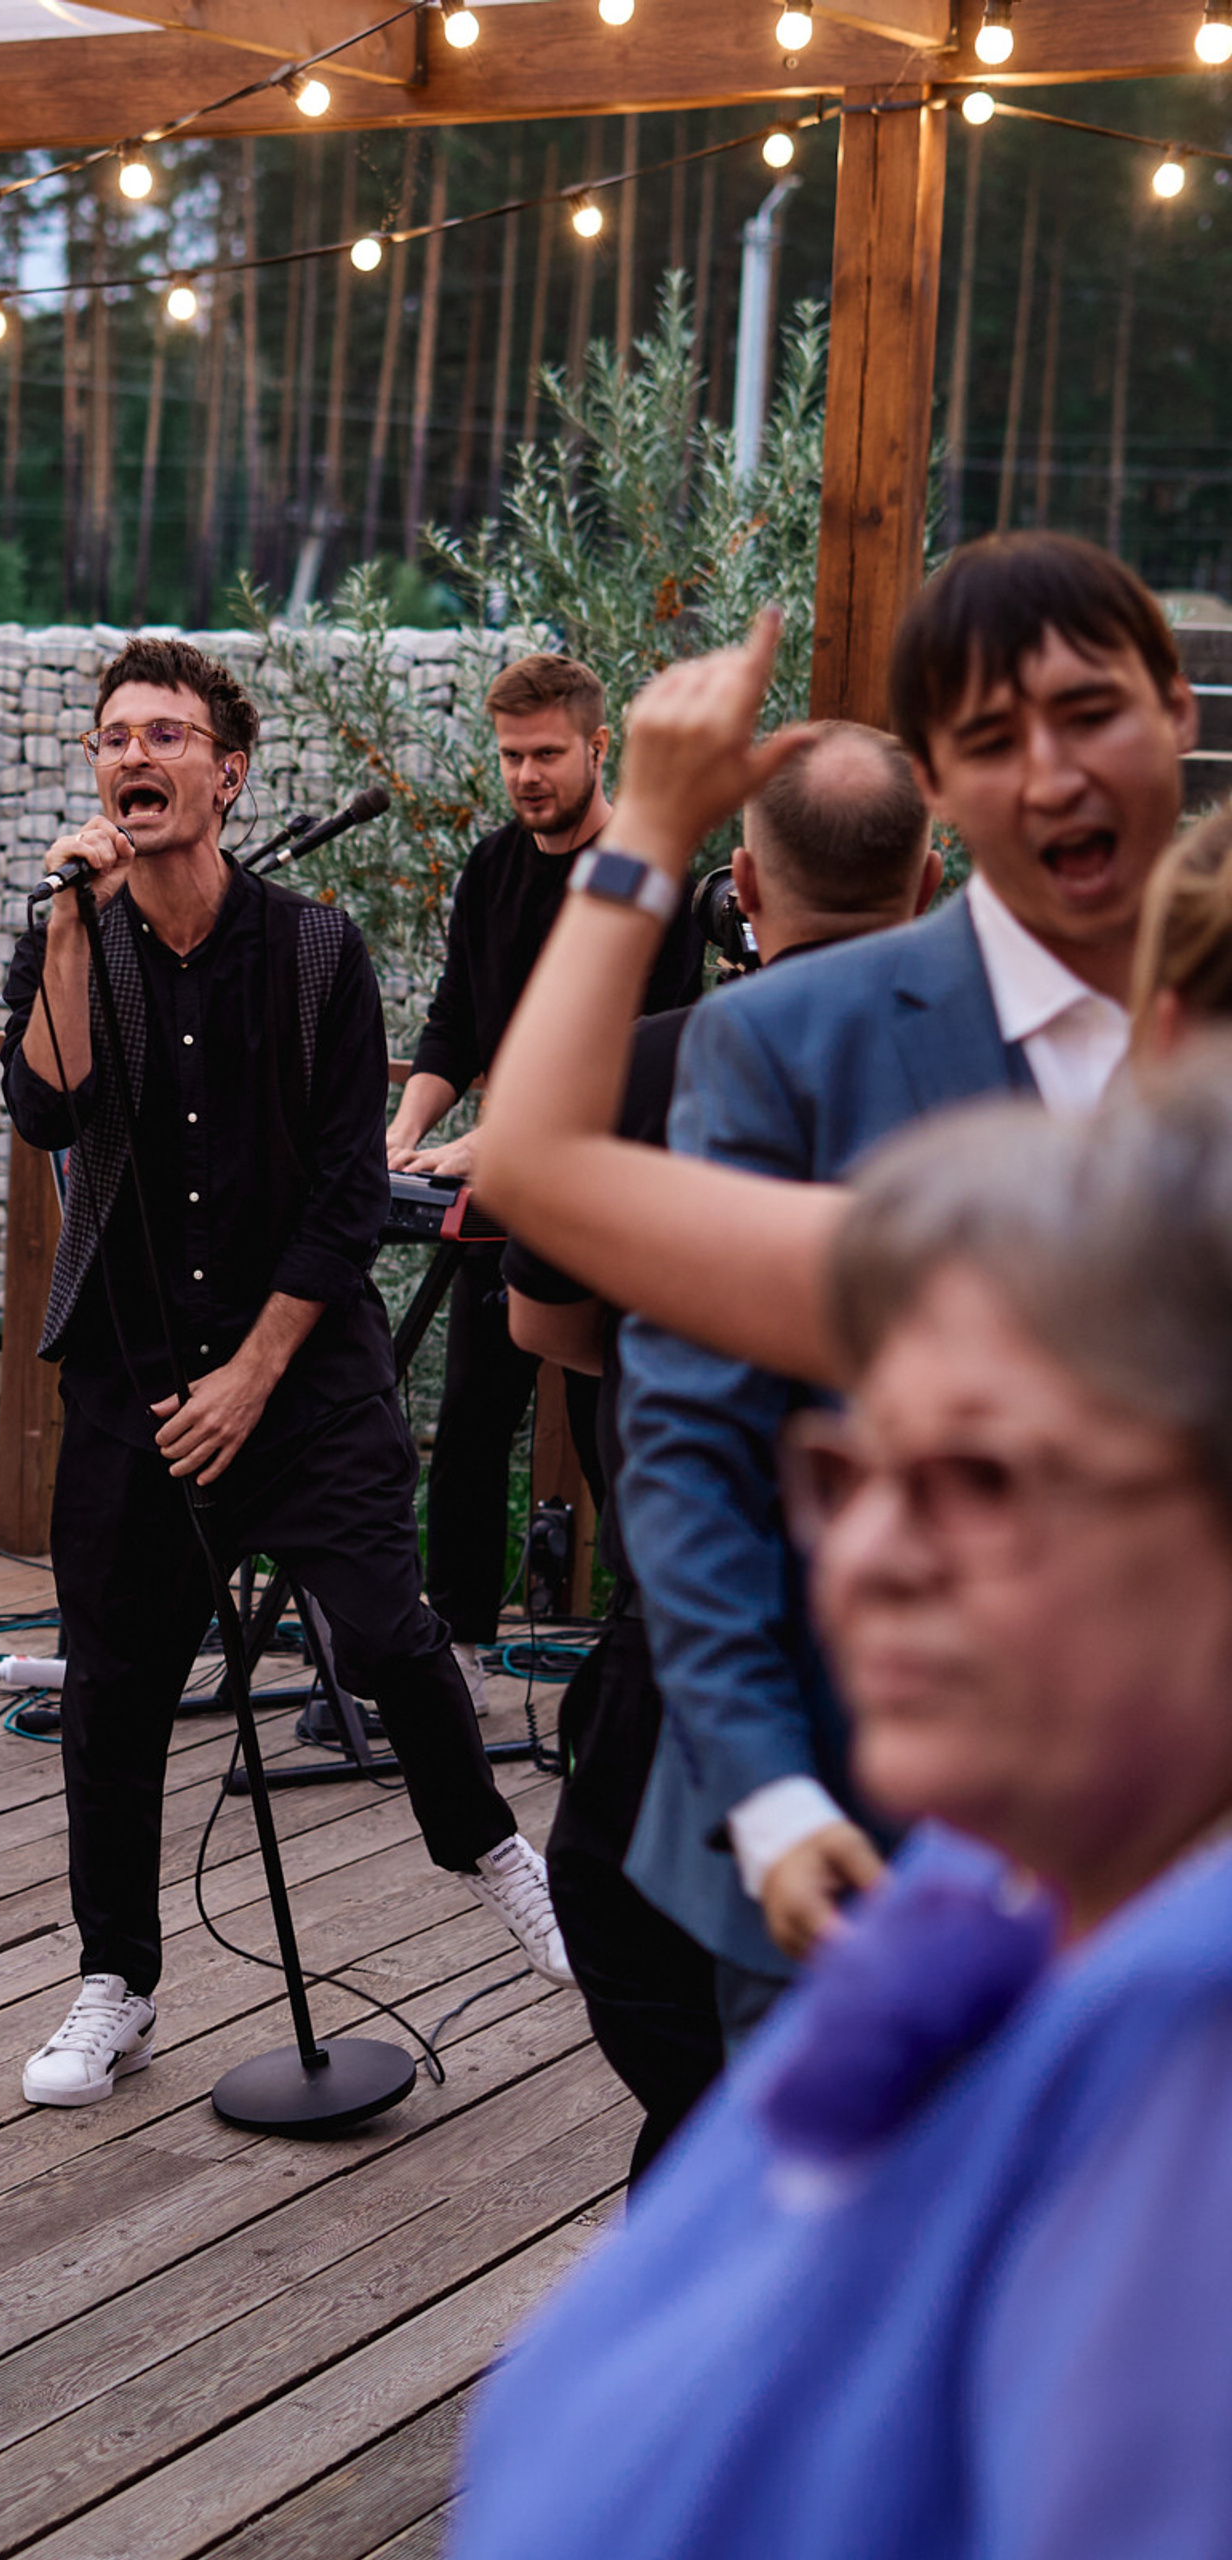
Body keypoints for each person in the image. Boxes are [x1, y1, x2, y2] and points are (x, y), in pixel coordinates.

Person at [455, 1059, 1232, 2560]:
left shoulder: (1188, 2054)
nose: (863, 1550)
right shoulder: (980, 1909)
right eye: (848, 1468)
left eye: (980, 1477)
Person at [555, 542, 1196, 2043]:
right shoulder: (788, 1040)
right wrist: (771, 1795)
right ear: (943, 800)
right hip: (856, 1855)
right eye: (991, 739)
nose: (1052, 775)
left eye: (1089, 712)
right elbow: (691, 1449)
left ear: (1173, 708)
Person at [0, 636, 568, 2111]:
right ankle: (116, 1982)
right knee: (113, 1688)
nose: (135, 754)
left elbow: (343, 1193)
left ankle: (494, 1855)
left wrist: (255, 1372)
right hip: (134, 1383)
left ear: (227, 775)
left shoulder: (316, 952)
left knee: (386, 1635)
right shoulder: (73, 942)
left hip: (300, 1376)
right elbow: (47, 1107)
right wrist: (66, 924)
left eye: (166, 734)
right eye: (115, 735)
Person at [504, 722, 940, 2178]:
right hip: (925, 1669)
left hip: (684, 1664)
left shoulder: (648, 1066)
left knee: (687, 2067)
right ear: (928, 881)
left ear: (740, 889)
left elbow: (543, 1322)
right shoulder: (1003, 1085)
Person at [385, 655, 706, 1701]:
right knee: (471, 1428)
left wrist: (502, 1140)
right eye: (511, 756)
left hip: (612, 1200)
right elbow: (455, 1019)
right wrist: (408, 1127)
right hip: (503, 1198)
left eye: (546, 755)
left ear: (598, 747)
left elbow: (631, 1049)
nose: (525, 775)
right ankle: (458, 1656)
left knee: (618, 1434)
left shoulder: (647, 879)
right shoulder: (490, 868)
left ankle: (654, 1655)